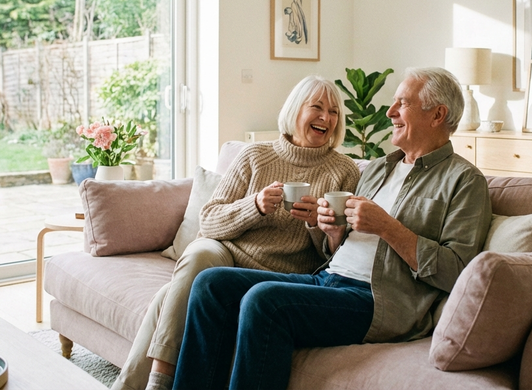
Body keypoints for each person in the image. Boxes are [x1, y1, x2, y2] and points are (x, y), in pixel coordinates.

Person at [172, 67, 493, 390]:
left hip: (379, 301)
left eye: (402, 104)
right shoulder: (381, 168)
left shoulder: (464, 181)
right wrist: (333, 232)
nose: (390, 112)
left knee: (264, 301)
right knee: (212, 284)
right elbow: (341, 248)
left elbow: (458, 271)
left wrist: (387, 227)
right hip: (328, 279)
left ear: (438, 115)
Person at [111, 75, 360, 390]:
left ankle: (138, 385)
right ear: (296, 110)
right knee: (200, 254)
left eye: (334, 111)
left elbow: (338, 256)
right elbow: (210, 221)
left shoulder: (344, 171)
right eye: (317, 107)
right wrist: (254, 206)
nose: (326, 117)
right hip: (228, 256)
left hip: (284, 275)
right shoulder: (255, 156)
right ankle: (159, 382)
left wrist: (315, 224)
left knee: (168, 297)